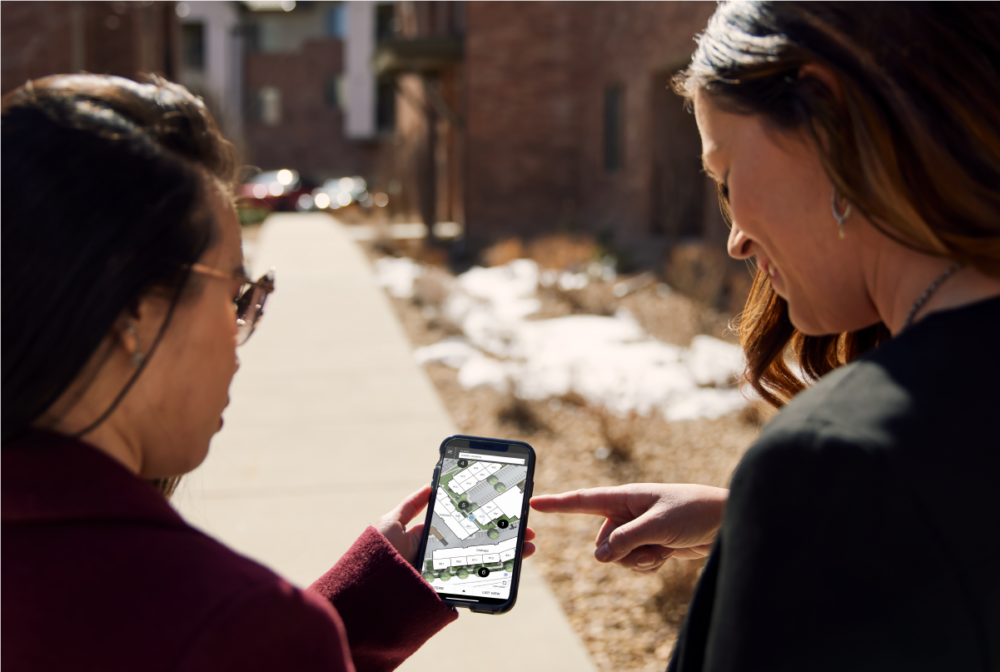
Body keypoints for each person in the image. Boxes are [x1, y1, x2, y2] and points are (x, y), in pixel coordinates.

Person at [0, 74, 535, 671]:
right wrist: (286, 634)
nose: (241, 338)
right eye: (236, 297)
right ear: (133, 310)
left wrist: (353, 613)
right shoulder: (228, 620)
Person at [532, 0, 1000, 669]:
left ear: (830, 125)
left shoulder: (840, 460)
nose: (736, 238)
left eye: (726, 178)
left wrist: (796, 514)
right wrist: (753, 527)